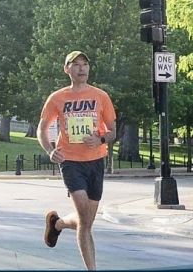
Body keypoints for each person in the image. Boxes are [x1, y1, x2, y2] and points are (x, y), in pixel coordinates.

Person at [37, 51, 116, 271]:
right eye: (76, 64)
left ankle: (58, 223)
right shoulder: (57, 98)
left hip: (96, 160)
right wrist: (50, 150)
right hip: (70, 161)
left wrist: (100, 138)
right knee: (84, 218)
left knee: (86, 222)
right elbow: (42, 129)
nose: (81, 68)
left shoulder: (101, 96)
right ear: (67, 69)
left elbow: (112, 131)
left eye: (85, 64)